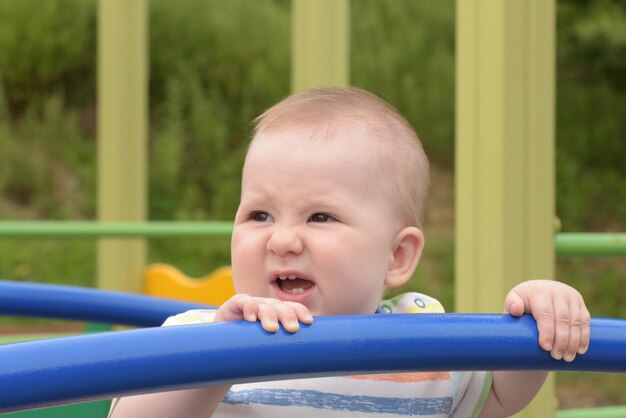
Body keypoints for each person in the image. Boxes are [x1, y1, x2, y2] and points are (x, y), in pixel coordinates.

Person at [110, 86, 590, 418]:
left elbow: (501, 400)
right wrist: (217, 358)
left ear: (397, 257)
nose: (282, 240)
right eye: (259, 215)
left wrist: (541, 318)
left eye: (320, 217)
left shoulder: (421, 342)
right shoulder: (198, 337)